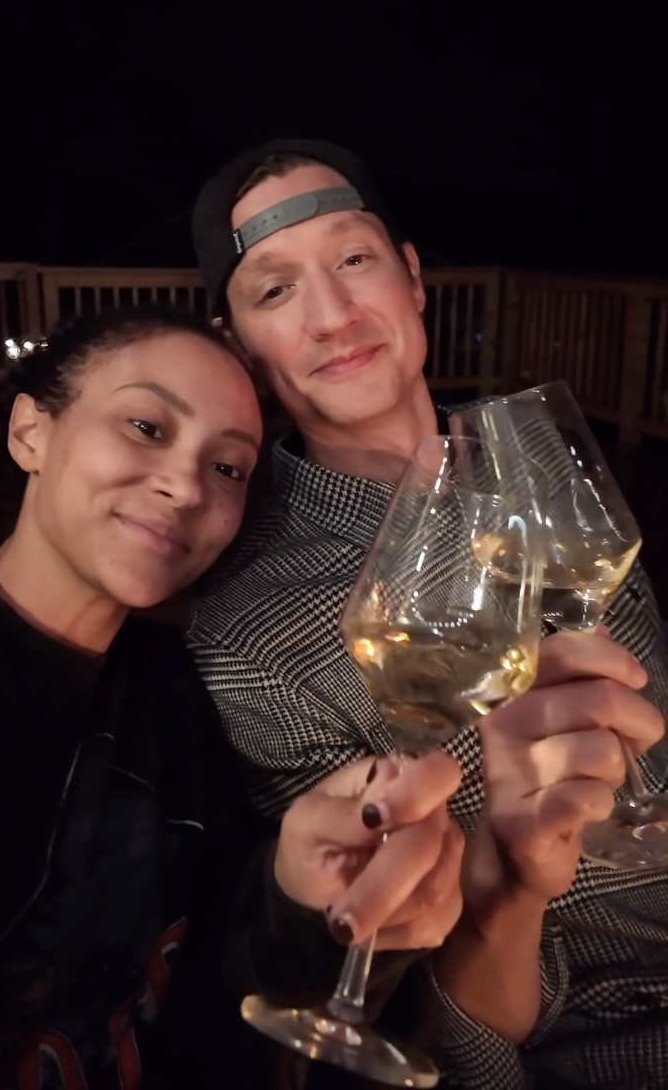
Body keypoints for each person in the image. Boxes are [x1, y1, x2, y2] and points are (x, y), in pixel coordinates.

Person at [188, 139, 668, 1088]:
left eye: (354, 258)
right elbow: (417, 990)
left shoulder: (540, 456)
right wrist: (510, 875)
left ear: (410, 278)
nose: (333, 315)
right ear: (240, 342)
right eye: (276, 290)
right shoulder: (251, 626)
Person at [0, 304, 467, 1090]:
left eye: (228, 467)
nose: (186, 486)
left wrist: (303, 902)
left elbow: (229, 998)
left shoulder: (183, 703)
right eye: (146, 427)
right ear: (32, 433)